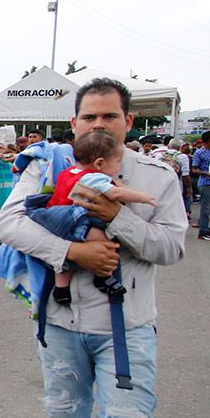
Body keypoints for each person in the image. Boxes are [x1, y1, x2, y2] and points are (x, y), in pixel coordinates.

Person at [0, 77, 186, 418]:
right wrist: (73, 251)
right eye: (89, 117)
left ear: (128, 121)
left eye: (109, 116)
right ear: (74, 122)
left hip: (127, 325)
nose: (98, 124)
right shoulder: (49, 165)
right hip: (60, 321)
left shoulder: (158, 177)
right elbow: (10, 222)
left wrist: (115, 218)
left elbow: (171, 246)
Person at [25, 131, 157, 307]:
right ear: (99, 163)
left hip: (54, 219)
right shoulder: (93, 177)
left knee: (64, 260)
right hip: (74, 220)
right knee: (104, 243)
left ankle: (61, 288)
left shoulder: (67, 172)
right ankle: (103, 277)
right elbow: (115, 193)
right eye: (117, 163)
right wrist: (142, 197)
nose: (118, 168)